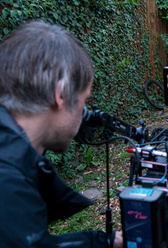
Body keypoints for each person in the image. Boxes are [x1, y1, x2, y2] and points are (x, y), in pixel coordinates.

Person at [0, 21, 123, 247]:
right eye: (84, 101)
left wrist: (102, 241)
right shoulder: (8, 188)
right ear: (61, 96)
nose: (83, 114)